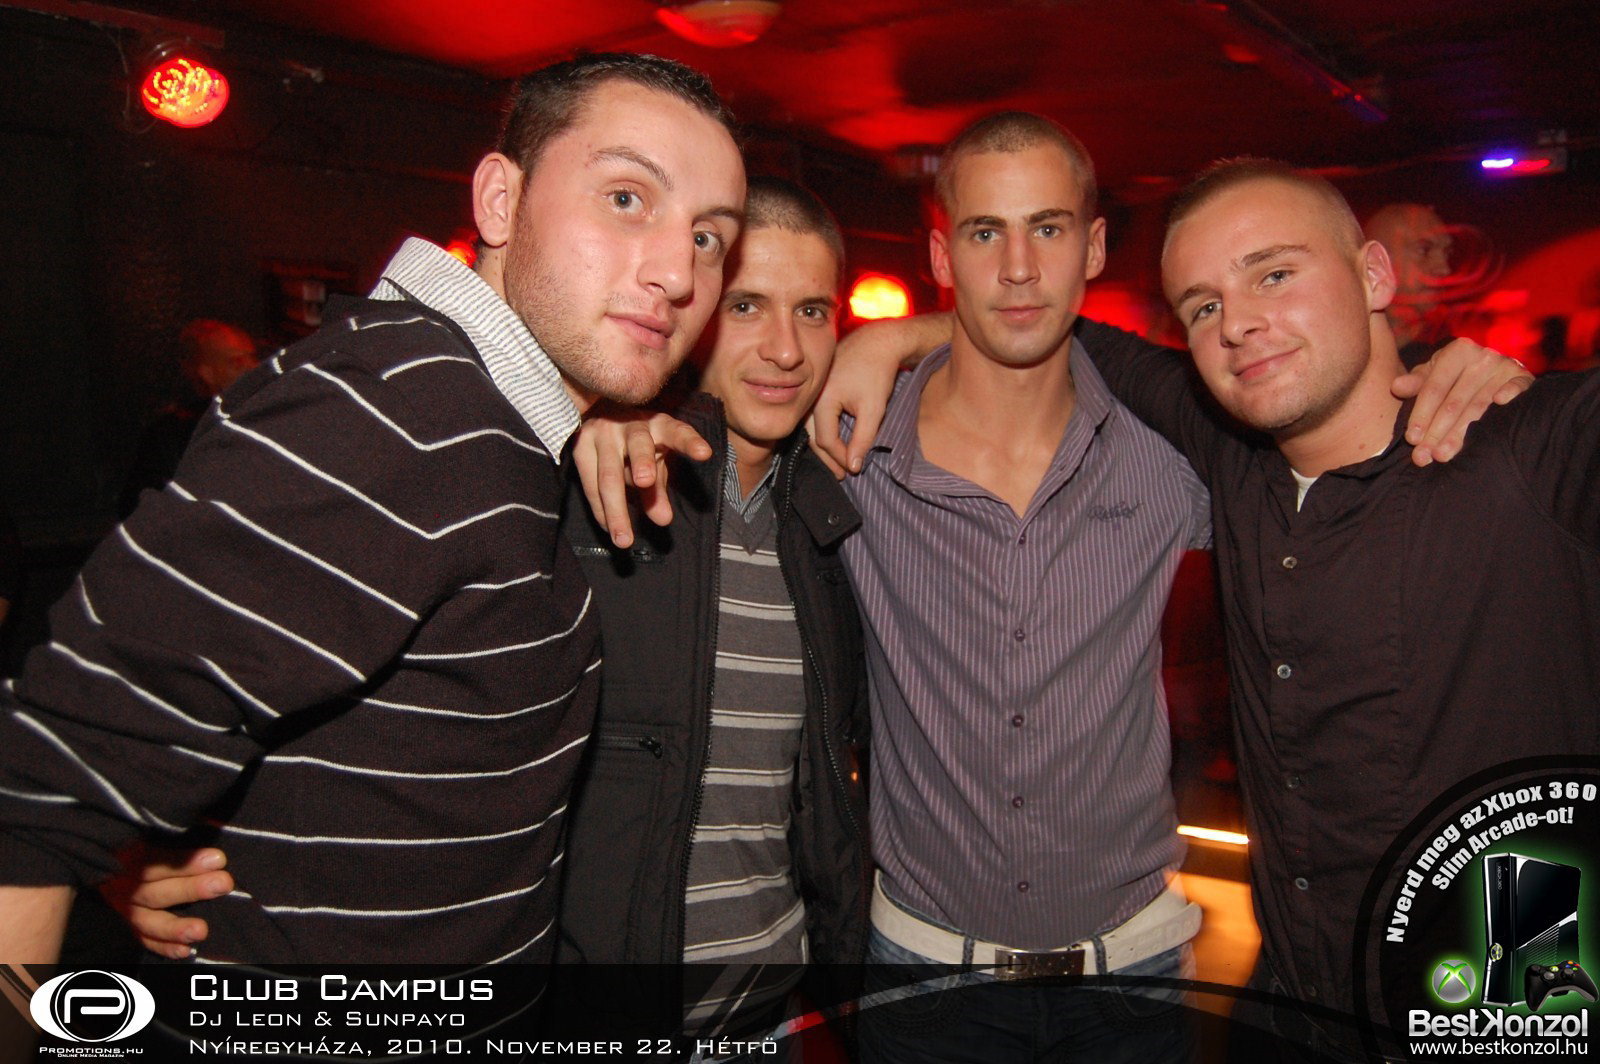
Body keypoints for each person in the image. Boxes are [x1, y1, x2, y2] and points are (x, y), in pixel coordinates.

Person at [0, 51, 746, 964]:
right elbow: (44, 786)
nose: (678, 272)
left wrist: (143, 838)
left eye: (709, 238)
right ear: (500, 201)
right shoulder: (404, 409)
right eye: (627, 198)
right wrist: (106, 845)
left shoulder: (475, 416)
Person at [811, 160, 1551, 1060]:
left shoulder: (1528, 452)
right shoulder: (1218, 455)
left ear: (1372, 276)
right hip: (1280, 1000)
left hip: (1496, 998)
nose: (1237, 322)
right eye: (1204, 306)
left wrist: (1508, 385)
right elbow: (1027, 319)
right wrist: (881, 340)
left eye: (1274, 274)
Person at [122, 179, 870, 1050]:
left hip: (769, 1012)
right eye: (746, 305)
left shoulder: (828, 521)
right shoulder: (555, 490)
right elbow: (289, 676)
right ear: (692, 309)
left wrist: (900, 337)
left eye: (813, 311)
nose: (785, 347)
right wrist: (158, 838)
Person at [118, 319, 262, 518]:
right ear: (208, 374)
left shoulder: (271, 414)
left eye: (252, 357)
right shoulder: (173, 436)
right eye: (236, 362)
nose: (252, 367)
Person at [1361, 203, 1455, 366]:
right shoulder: (1342, 352)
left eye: (1447, 253)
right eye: (1424, 250)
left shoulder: (1449, 360)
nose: (1445, 269)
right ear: (1375, 260)